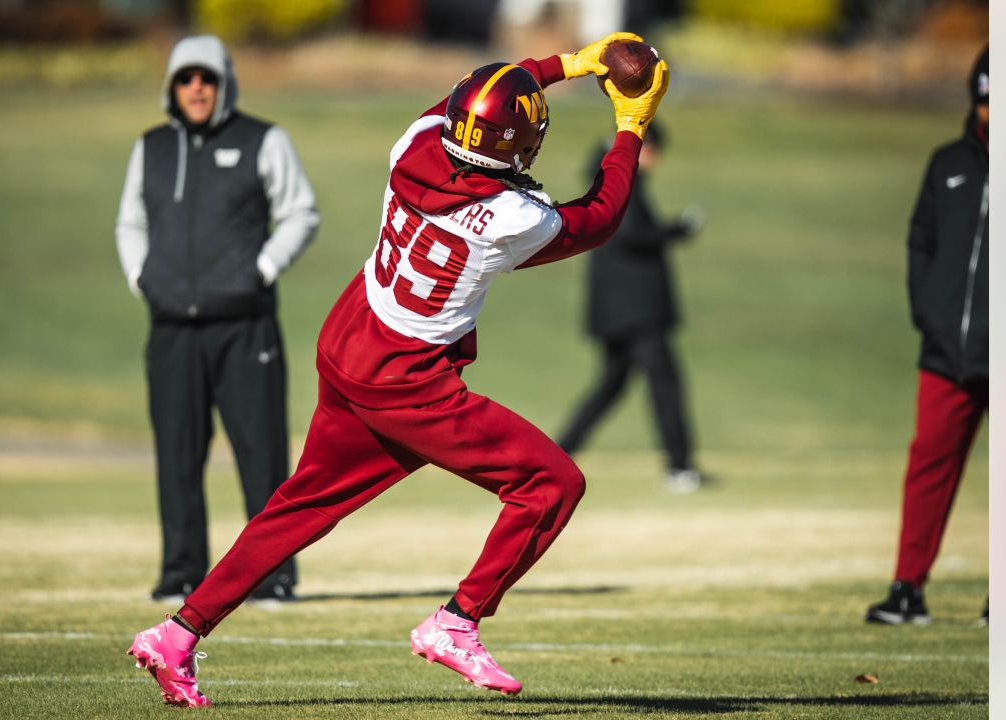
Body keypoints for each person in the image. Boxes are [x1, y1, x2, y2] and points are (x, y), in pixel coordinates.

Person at [126, 32, 669, 707]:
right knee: (551, 483)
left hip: (353, 336)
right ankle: (457, 619)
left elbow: (472, 96)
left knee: (301, 506)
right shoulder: (510, 216)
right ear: (516, 147)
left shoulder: (413, 144)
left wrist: (572, 62)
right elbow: (599, 216)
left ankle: (177, 635)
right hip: (408, 380)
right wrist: (630, 123)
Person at [115, 35, 319, 605]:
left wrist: (261, 268)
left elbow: (301, 213)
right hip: (171, 327)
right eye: (186, 79)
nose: (196, 88)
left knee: (261, 453)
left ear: (224, 81)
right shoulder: (150, 147)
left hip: (245, 326)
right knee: (177, 453)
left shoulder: (263, 139)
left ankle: (272, 576)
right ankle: (181, 572)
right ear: (172, 87)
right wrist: (142, 277)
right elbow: (130, 222)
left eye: (206, 77)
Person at [866, 46, 988, 626]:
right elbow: (921, 242)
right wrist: (928, 313)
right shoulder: (947, 164)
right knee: (928, 467)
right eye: (987, 100)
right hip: (945, 352)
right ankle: (907, 588)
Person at [555, 122, 707, 493]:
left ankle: (557, 456)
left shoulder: (610, 176)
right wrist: (678, 230)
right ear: (645, 149)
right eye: (654, 153)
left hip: (617, 308)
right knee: (664, 383)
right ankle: (680, 467)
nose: (656, 162)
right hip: (635, 309)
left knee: (611, 384)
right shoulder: (617, 179)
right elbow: (631, 233)